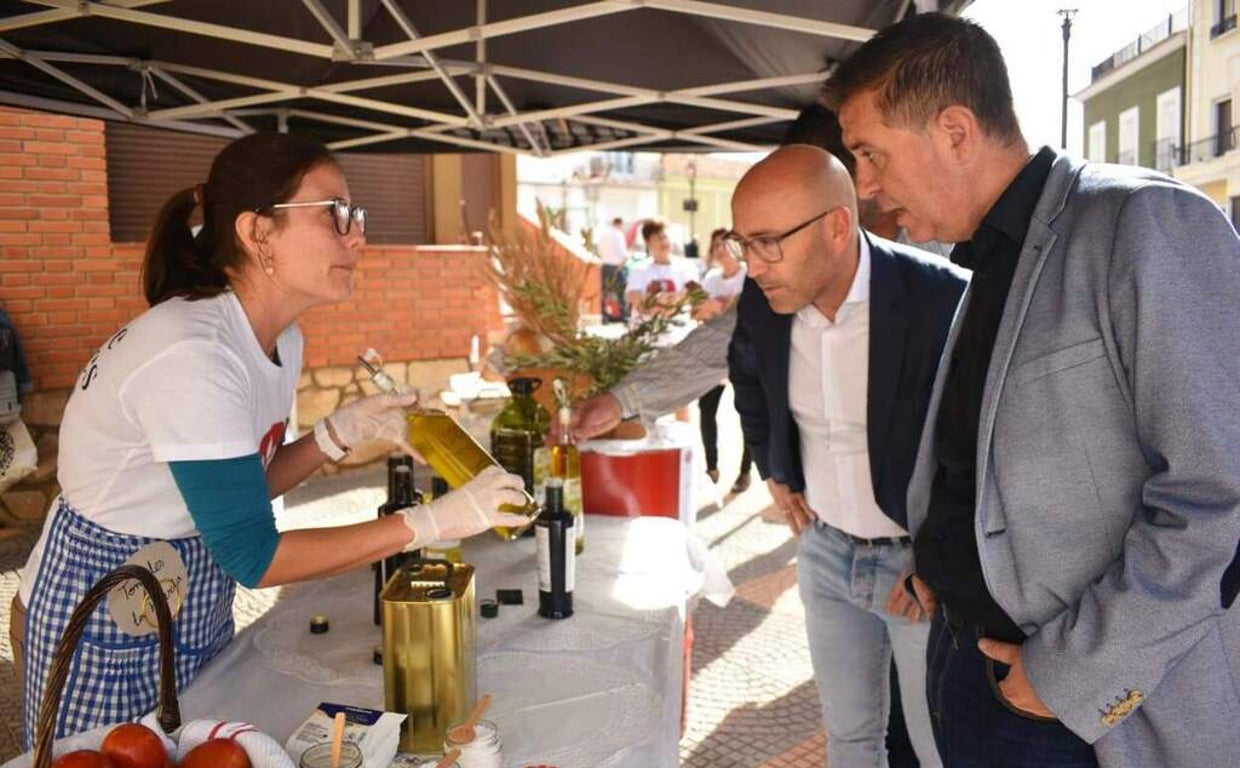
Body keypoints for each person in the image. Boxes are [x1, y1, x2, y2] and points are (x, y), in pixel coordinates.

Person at [13, 132, 530, 746]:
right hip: (105, 606)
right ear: (259, 233)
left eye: (356, 216)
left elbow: (237, 494)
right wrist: (430, 523)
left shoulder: (279, 340)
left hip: (191, 592)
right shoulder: (194, 352)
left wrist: (334, 436)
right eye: (336, 214)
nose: (357, 235)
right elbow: (255, 557)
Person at [824, 12, 1240, 768]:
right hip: (964, 661)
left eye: (870, 152)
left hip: (1076, 708)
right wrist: (939, 557)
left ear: (954, 129)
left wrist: (1068, 678)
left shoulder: (1147, 222)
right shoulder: (983, 256)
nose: (867, 186)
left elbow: (1221, 498)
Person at [728, 144, 964, 768]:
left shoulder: (943, 300)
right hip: (825, 553)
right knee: (851, 739)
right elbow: (746, 376)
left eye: (768, 242)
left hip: (917, 570)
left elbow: (985, 451)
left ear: (837, 226)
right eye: (741, 243)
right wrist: (774, 466)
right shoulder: (763, 300)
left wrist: (942, 562)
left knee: (938, 748)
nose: (752, 265)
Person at [694, 229, 752, 494]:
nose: (720, 249)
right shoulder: (711, 279)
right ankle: (711, 466)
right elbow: (697, 312)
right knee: (706, 410)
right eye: (715, 245)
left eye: (724, 244)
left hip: (745, 354)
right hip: (714, 355)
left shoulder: (748, 276)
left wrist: (721, 308)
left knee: (748, 415)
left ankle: (745, 471)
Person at [624, 218, 699, 325]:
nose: (664, 242)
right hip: (646, 335)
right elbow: (635, 297)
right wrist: (657, 306)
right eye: (658, 238)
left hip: (679, 334)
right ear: (648, 242)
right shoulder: (639, 269)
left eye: (665, 237)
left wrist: (673, 303)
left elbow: (694, 293)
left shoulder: (687, 267)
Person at [597, 216, 629, 322]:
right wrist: (622, 265)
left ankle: (604, 316)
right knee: (620, 292)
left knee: (605, 292)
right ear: (620, 224)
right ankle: (623, 315)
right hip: (617, 266)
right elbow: (623, 253)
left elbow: (599, 249)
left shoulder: (604, 235)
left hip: (605, 265)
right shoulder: (619, 235)